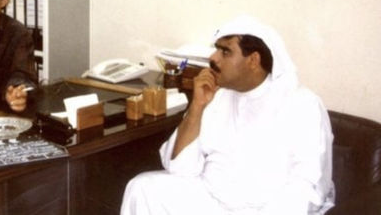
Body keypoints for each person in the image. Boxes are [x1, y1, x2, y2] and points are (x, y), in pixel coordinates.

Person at [121, 15, 335, 215]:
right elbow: (179, 168)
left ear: (253, 60)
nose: (213, 58)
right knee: (142, 189)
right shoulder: (219, 96)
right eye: (216, 49)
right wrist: (197, 106)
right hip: (212, 200)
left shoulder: (301, 104)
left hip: (266, 210)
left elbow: (308, 185)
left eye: (225, 52)